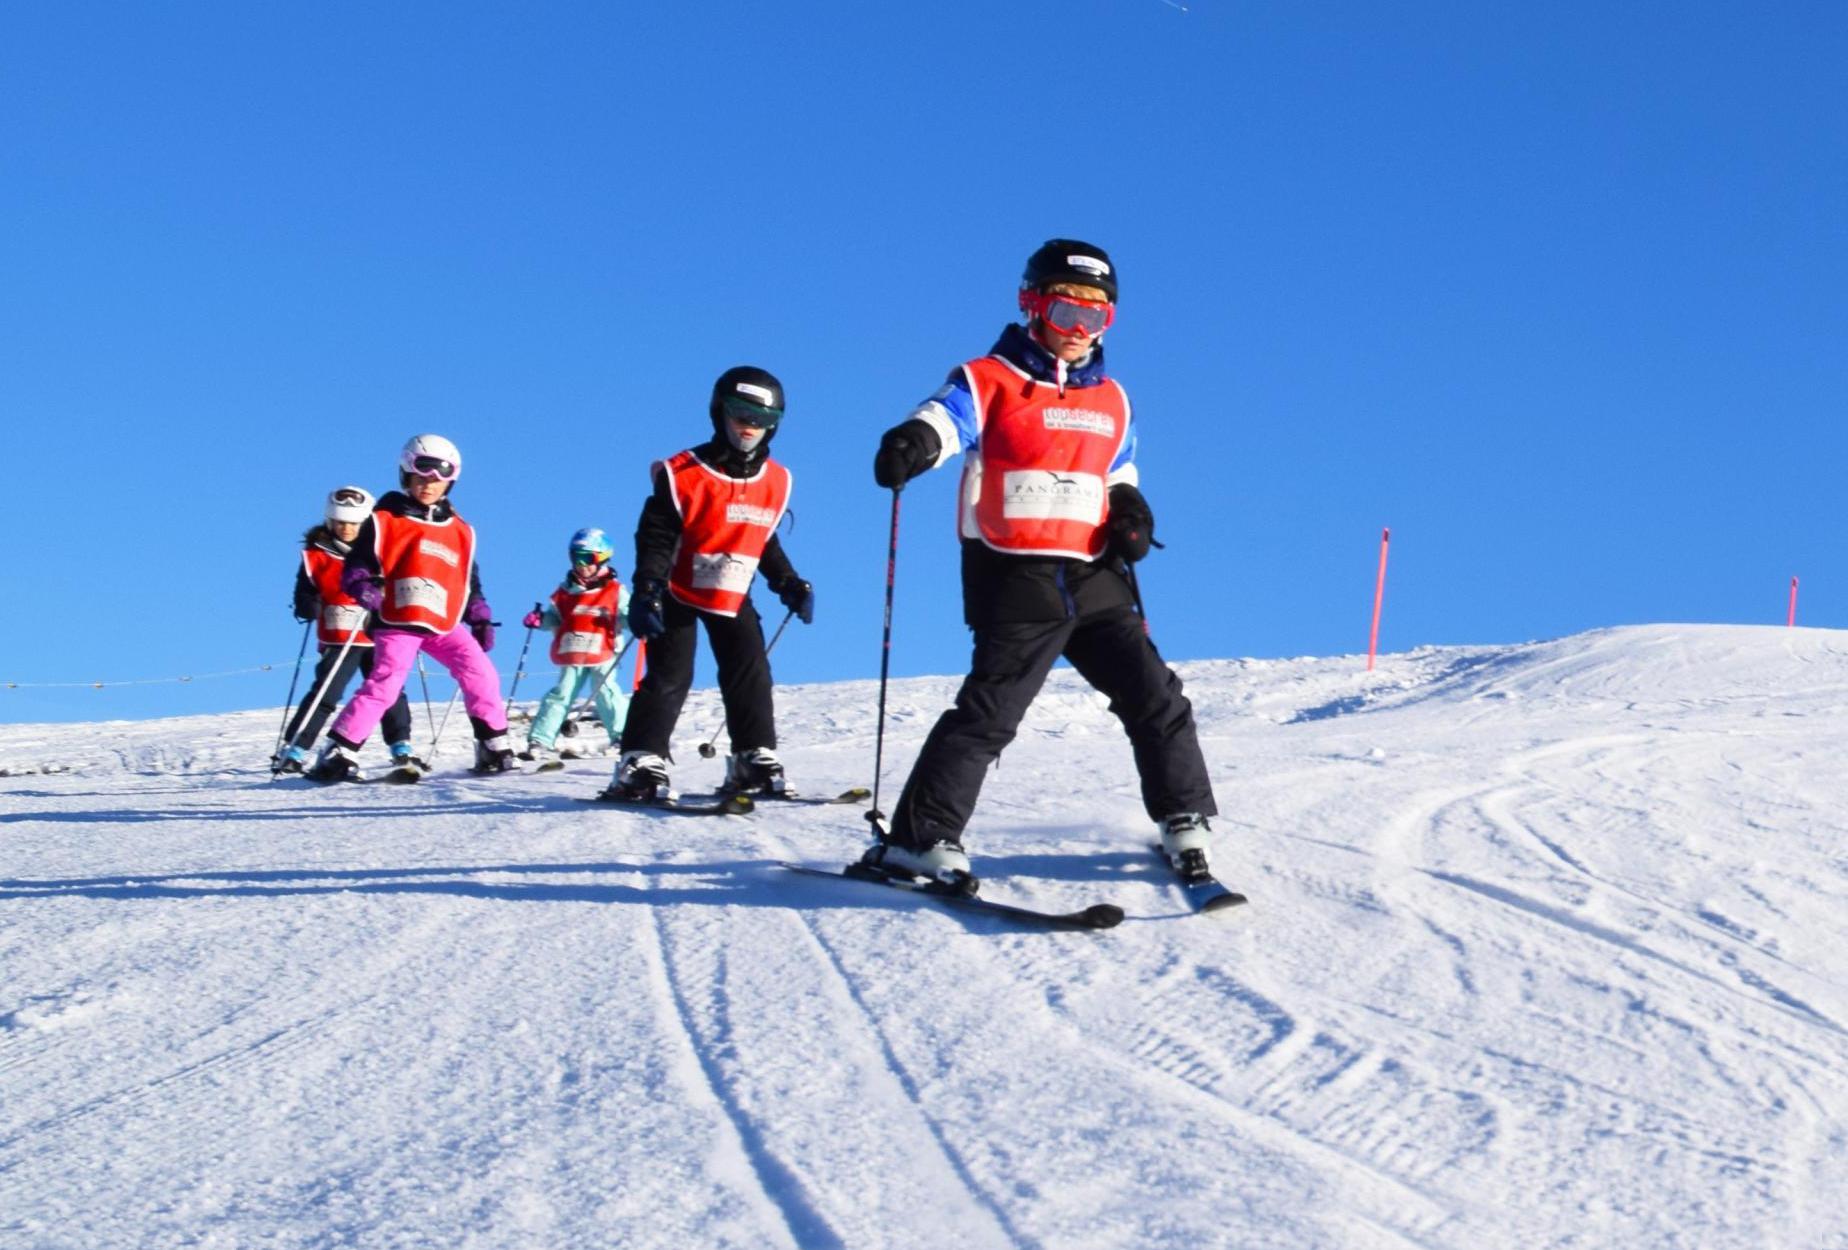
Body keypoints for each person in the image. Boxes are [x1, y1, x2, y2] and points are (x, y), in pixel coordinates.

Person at [861, 238, 1217, 891]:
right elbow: (946, 420)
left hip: (1094, 572)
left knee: (1155, 696)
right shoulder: (988, 377)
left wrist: (1132, 508)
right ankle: (919, 839)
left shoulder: (1113, 396)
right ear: (1032, 306)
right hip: (1014, 574)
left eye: (1096, 316)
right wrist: (913, 444)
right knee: (990, 715)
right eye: (1065, 312)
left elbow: (1117, 469)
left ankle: (1184, 815)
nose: (1079, 331)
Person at [602, 366, 814, 802]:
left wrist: (787, 582)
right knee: (671, 673)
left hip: (731, 590)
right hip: (676, 588)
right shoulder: (684, 474)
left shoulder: (774, 481)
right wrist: (647, 591)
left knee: (750, 670)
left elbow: (762, 537)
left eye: (763, 420)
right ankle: (640, 760)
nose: (750, 427)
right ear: (719, 411)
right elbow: (656, 537)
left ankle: (751, 756)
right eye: (741, 414)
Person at [307, 434, 516, 780]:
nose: (428, 485)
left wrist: (478, 614)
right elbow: (358, 563)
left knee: (480, 672)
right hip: (399, 618)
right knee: (387, 681)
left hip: (441, 622)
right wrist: (362, 585)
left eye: (438, 480)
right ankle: (340, 749)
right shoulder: (386, 519)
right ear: (406, 475)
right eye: (421, 477)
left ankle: (492, 743)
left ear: (450, 483)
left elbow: (465, 577)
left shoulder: (459, 530)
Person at [274, 486, 417, 774]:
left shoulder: (380, 552)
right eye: (340, 523)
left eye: (354, 523)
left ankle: (401, 745)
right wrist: (307, 605)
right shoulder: (317, 556)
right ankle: (295, 747)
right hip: (339, 636)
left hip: (378, 631)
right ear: (329, 522)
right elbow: (305, 589)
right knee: (327, 692)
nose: (347, 529)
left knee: (389, 690)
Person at [517, 527, 631, 763]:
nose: (582, 564)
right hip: (573, 650)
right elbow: (555, 618)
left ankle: (622, 737)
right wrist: (540, 620)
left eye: (588, 558)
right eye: (575, 557)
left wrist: (637, 619)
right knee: (562, 693)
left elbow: (626, 615)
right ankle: (540, 739)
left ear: (602, 559)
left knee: (606, 691)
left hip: (603, 649)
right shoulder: (565, 592)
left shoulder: (615, 591)